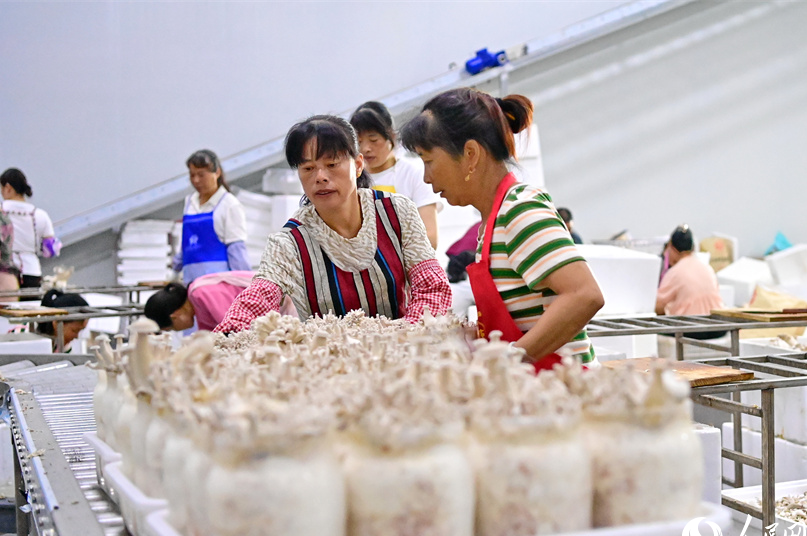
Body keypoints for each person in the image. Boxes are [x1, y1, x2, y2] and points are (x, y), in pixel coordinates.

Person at [401, 88, 605, 370]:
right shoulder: (491, 225)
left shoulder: (520, 210)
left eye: (428, 161)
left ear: (470, 154)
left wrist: (510, 358)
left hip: (566, 394)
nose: (426, 177)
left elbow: (584, 295)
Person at [215, 115, 451, 333]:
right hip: (330, 365)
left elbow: (431, 286)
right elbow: (256, 301)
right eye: (308, 168)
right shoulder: (289, 243)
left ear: (358, 165)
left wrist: (407, 338)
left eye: (332, 164)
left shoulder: (397, 213)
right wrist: (223, 341)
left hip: (400, 358)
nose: (320, 177)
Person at [350, 101, 441, 249]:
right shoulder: (351, 178)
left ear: (391, 137)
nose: (366, 148)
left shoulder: (414, 172)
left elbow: (430, 238)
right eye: (359, 142)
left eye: (373, 140)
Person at [172, 149, 250, 285]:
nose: (196, 180)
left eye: (201, 175)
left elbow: (236, 250)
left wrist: (245, 285)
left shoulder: (229, 204)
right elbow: (187, 246)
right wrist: (173, 272)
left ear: (217, 173)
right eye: (192, 175)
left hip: (217, 285)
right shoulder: (189, 202)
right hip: (190, 282)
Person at [145, 270, 295, 332]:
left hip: (285, 300)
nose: (177, 330)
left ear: (175, 315)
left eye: (171, 328)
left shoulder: (199, 293)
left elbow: (234, 328)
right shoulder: (197, 303)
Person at [0, 168, 61, 289]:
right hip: (32, 272)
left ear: (8, 188)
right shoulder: (40, 215)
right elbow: (50, 250)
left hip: (4, 273)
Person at [655, 225, 724, 318]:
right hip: (717, 327)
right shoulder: (707, 269)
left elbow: (657, 305)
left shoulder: (675, 272)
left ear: (671, 247)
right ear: (693, 248)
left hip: (690, 329)